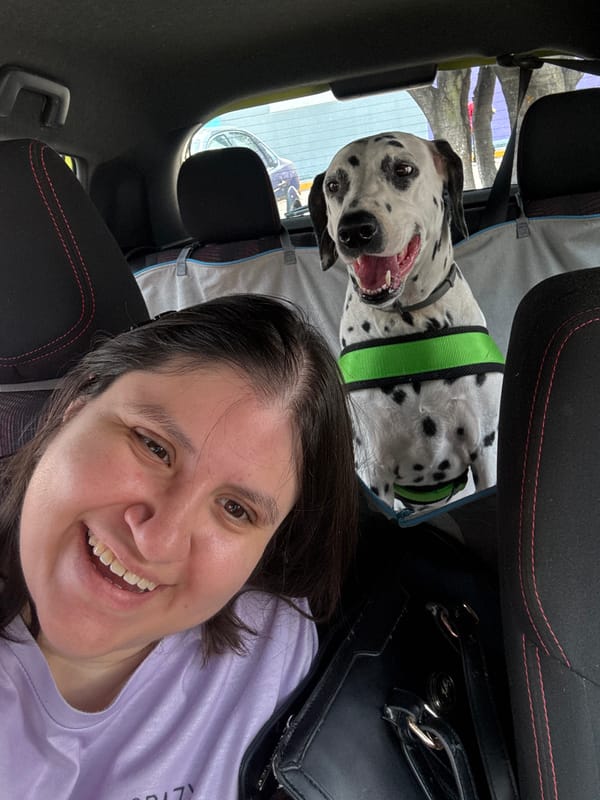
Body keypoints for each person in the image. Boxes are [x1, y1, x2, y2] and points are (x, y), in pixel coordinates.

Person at [0, 294, 359, 800]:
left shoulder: (276, 643)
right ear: (73, 413)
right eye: (153, 446)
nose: (157, 539)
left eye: (236, 509)